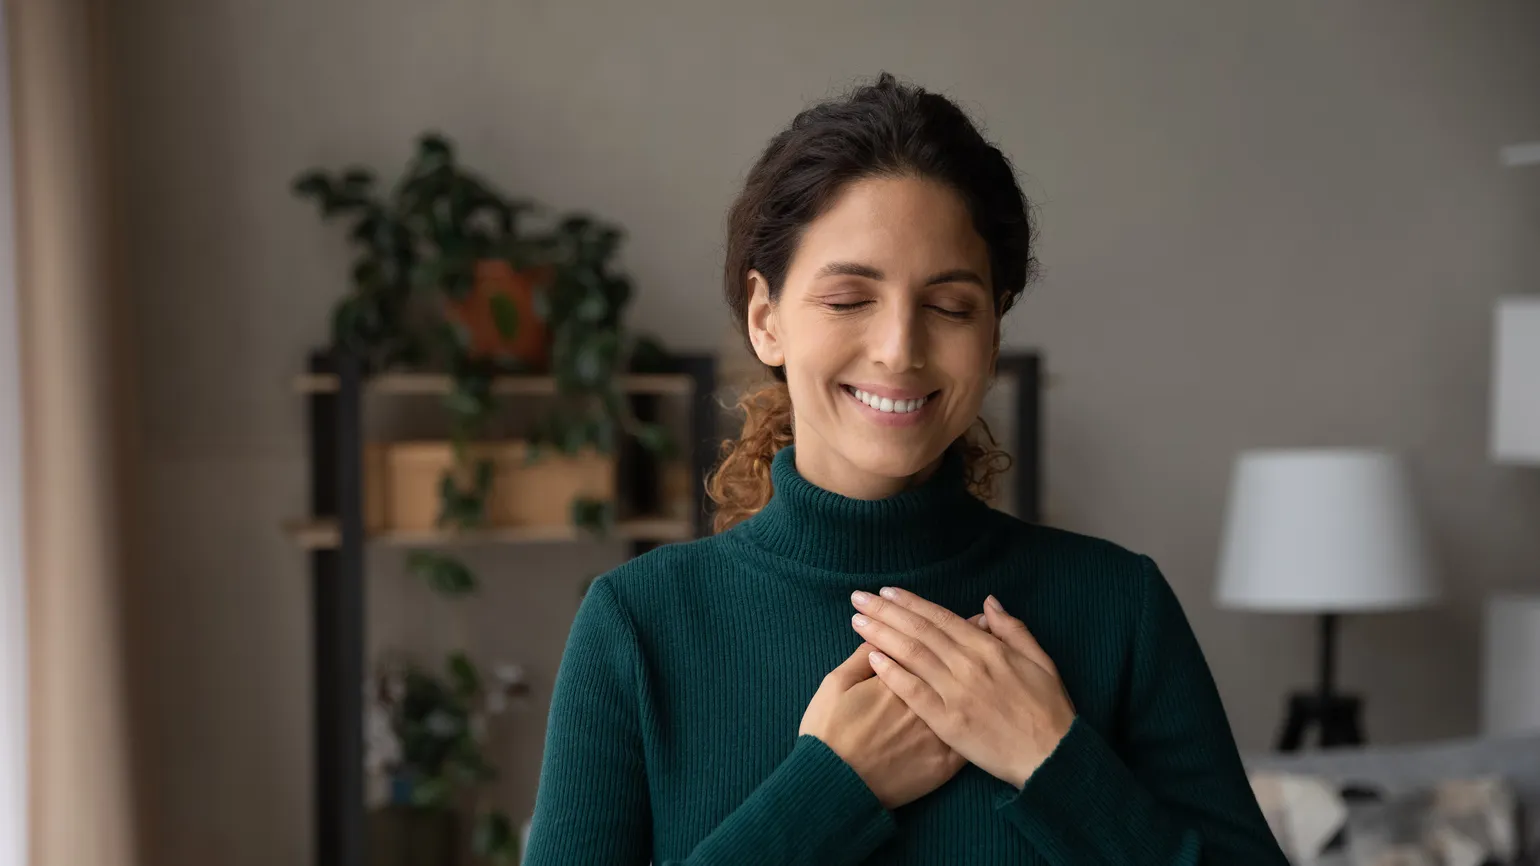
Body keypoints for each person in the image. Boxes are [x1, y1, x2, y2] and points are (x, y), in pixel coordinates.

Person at [523, 72, 1289, 865]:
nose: (899, 348)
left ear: (992, 334)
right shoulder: (640, 625)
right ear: (766, 320)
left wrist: (1055, 762)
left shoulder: (1119, 610)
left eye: (950, 306)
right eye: (849, 298)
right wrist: (825, 794)